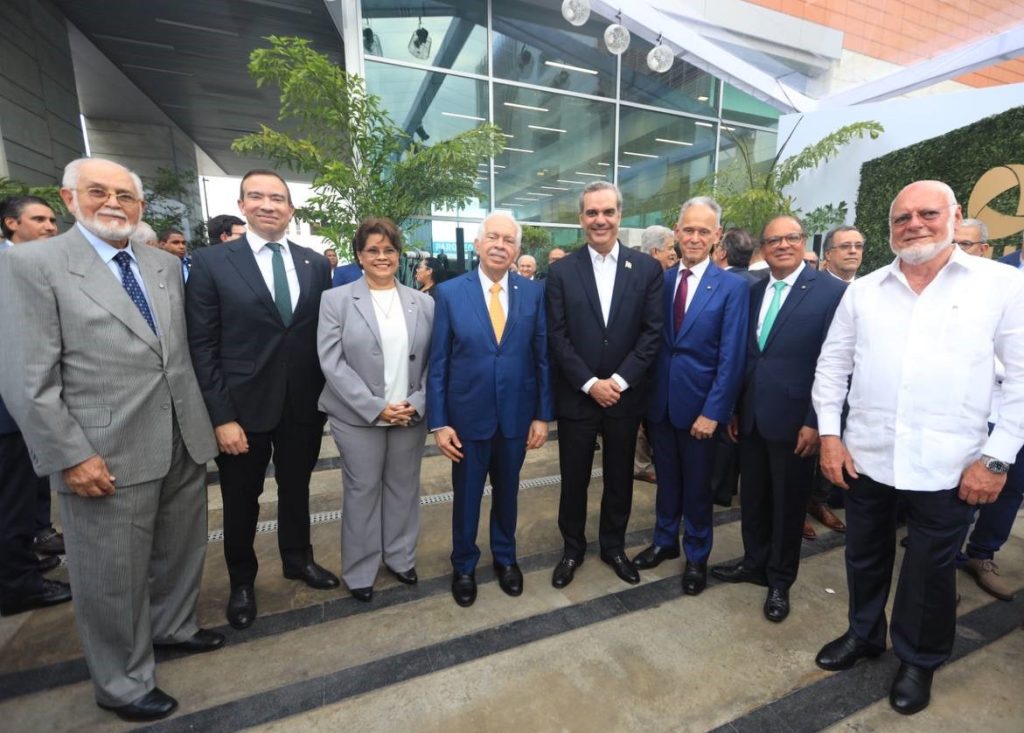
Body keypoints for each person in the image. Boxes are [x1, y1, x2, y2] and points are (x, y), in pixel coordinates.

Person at [0, 158, 222, 722]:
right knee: (110, 575)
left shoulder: (161, 263)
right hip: (103, 449)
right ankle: (122, 682)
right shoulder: (32, 264)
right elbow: (27, 380)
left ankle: (173, 627)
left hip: (180, 435)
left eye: (125, 195)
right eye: (97, 191)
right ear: (68, 198)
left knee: (180, 549)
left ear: (140, 206)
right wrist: (71, 456)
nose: (113, 203)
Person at [812, 180, 1024, 716]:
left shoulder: (1000, 285)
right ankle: (865, 635)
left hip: (952, 466)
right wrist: (830, 435)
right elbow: (833, 366)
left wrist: (996, 458)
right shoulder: (865, 291)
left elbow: (1022, 378)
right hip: (868, 456)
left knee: (930, 570)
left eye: (927, 213)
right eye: (901, 218)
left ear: (954, 215)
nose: (914, 225)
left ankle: (919, 659)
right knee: (864, 555)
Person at [186, 169, 339, 631]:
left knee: (297, 488)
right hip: (241, 409)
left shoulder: (315, 264)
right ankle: (242, 581)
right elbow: (202, 346)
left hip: (302, 405)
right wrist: (221, 417)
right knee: (240, 500)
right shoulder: (212, 262)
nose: (268, 205)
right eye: (257, 196)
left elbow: (320, 335)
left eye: (277, 198)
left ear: (291, 209)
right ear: (242, 205)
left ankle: (298, 558)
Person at [711, 215, 846, 622]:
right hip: (751, 417)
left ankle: (780, 580)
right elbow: (745, 356)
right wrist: (735, 409)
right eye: (773, 240)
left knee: (788, 507)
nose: (783, 245)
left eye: (791, 238)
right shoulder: (752, 290)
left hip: (797, 424)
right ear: (762, 249)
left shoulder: (832, 292)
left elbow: (837, 364)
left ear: (804, 243)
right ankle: (754, 563)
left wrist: (816, 421)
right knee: (753, 499)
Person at [427, 212, 553, 607]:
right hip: (466, 419)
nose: (500, 245)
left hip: (516, 416)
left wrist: (542, 415)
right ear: (478, 244)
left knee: (508, 492)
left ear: (517, 249)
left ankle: (505, 558)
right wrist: (439, 422)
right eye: (493, 237)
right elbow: (439, 362)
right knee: (466, 496)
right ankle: (464, 565)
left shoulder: (533, 293)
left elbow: (542, 357)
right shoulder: (449, 293)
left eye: (508, 240)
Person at [546, 182, 663, 589]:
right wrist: (589, 383)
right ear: (581, 218)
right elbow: (557, 336)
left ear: (619, 215)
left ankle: (614, 547)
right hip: (577, 397)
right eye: (592, 212)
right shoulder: (561, 272)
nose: (600, 219)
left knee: (619, 478)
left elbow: (652, 333)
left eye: (607, 212)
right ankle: (572, 549)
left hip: (624, 397)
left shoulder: (646, 269)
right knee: (573, 479)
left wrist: (617, 381)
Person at [632, 196, 748, 596]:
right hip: (660, 404)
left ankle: (697, 555)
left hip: (701, 408)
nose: (695, 237)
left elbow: (732, 356)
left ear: (717, 236)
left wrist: (714, 411)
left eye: (703, 231)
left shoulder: (733, 288)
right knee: (667, 481)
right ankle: (665, 541)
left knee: (698, 488)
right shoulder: (660, 282)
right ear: (677, 233)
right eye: (688, 230)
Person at [318, 218, 433, 602]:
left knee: (403, 488)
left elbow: (435, 361)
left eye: (389, 250)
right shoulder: (335, 300)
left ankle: (400, 558)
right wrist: (376, 408)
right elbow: (332, 362)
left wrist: (416, 403)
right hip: (357, 417)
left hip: (409, 414)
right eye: (373, 250)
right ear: (359, 256)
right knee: (362, 491)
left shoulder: (424, 302)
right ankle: (360, 571)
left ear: (399, 255)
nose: (382, 257)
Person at [953, 217, 1022, 601]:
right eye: (955, 243)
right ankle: (943, 563)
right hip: (974, 403)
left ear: (984, 248)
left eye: (966, 245)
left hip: (1014, 406)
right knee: (957, 489)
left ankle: (982, 554)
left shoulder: (1004, 280)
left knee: (1010, 485)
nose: (959, 252)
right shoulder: (999, 276)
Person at [0, 196, 66, 558]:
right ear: (12, 223)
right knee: (13, 496)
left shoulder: (51, 264)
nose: (50, 227)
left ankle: (36, 542)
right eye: (39, 219)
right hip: (11, 407)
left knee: (33, 485)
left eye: (52, 220)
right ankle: (19, 578)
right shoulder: (6, 267)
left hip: (45, 403)